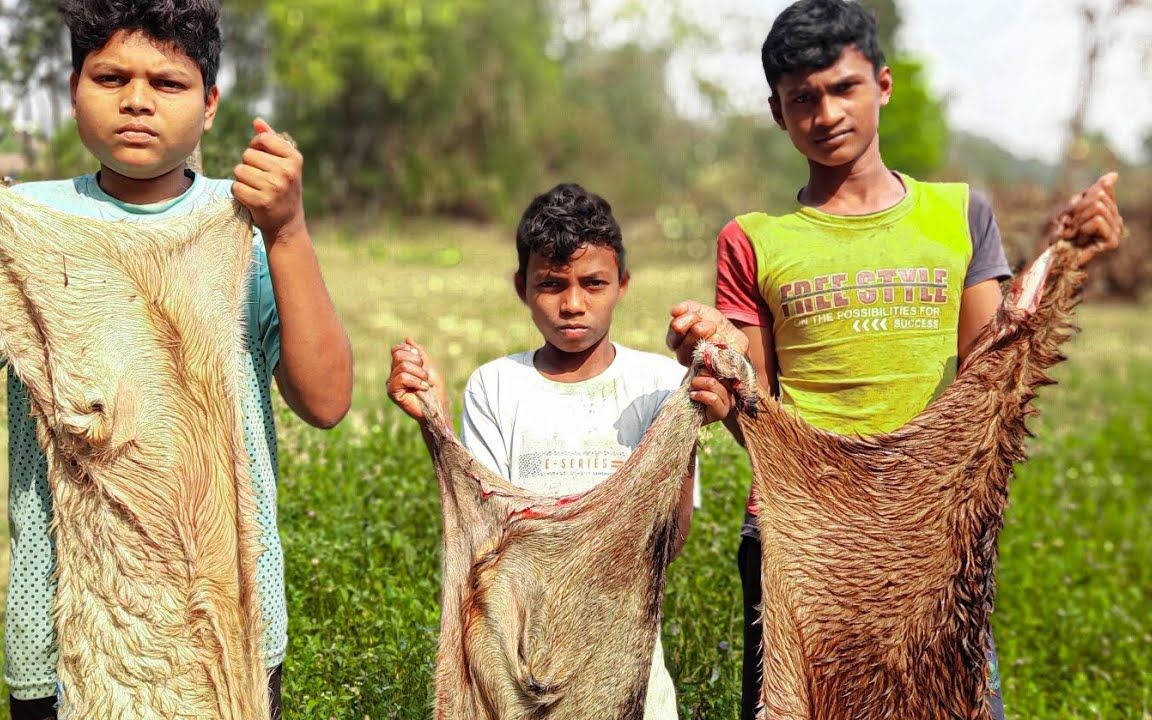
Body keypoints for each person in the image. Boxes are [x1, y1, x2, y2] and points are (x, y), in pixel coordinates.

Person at [664, 1, 1124, 718]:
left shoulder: (958, 213)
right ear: (777, 112)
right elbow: (756, 411)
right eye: (802, 99)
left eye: (843, 88)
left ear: (882, 84)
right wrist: (715, 365)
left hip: (930, 529)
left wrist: (1068, 256)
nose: (825, 113)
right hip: (801, 534)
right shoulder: (750, 239)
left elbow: (991, 373)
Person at [3, 0, 354, 717]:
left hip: (226, 628)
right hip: (66, 641)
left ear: (210, 104)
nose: (136, 100)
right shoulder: (26, 227)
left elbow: (325, 400)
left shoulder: (245, 228)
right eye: (110, 78)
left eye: (167, 83)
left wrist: (288, 232)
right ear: (73, 91)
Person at [388, 182, 737, 719]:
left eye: (592, 283)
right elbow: (487, 536)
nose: (572, 303)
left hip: (631, 675)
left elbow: (665, 546)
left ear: (622, 284)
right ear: (522, 287)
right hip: (519, 669)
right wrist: (434, 424)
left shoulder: (659, 384)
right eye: (551, 284)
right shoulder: (496, 386)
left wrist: (686, 435)